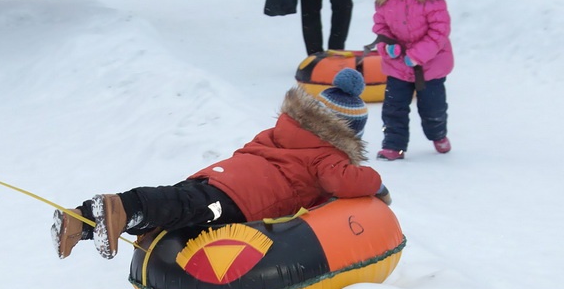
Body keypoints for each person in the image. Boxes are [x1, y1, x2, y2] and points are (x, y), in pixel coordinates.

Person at [52, 69, 389, 260]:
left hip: (219, 178)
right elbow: (343, 182)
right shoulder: (328, 155)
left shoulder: (281, 131)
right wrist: (377, 184)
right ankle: (120, 207)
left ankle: (80, 221)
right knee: (187, 206)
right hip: (243, 198)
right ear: (347, 135)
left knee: (180, 202)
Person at [371, 0, 454, 161]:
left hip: (431, 65)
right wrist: (388, 47)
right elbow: (380, 28)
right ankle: (393, 146)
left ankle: (438, 134)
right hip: (398, 65)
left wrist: (418, 55)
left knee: (432, 109)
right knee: (393, 108)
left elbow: (439, 31)